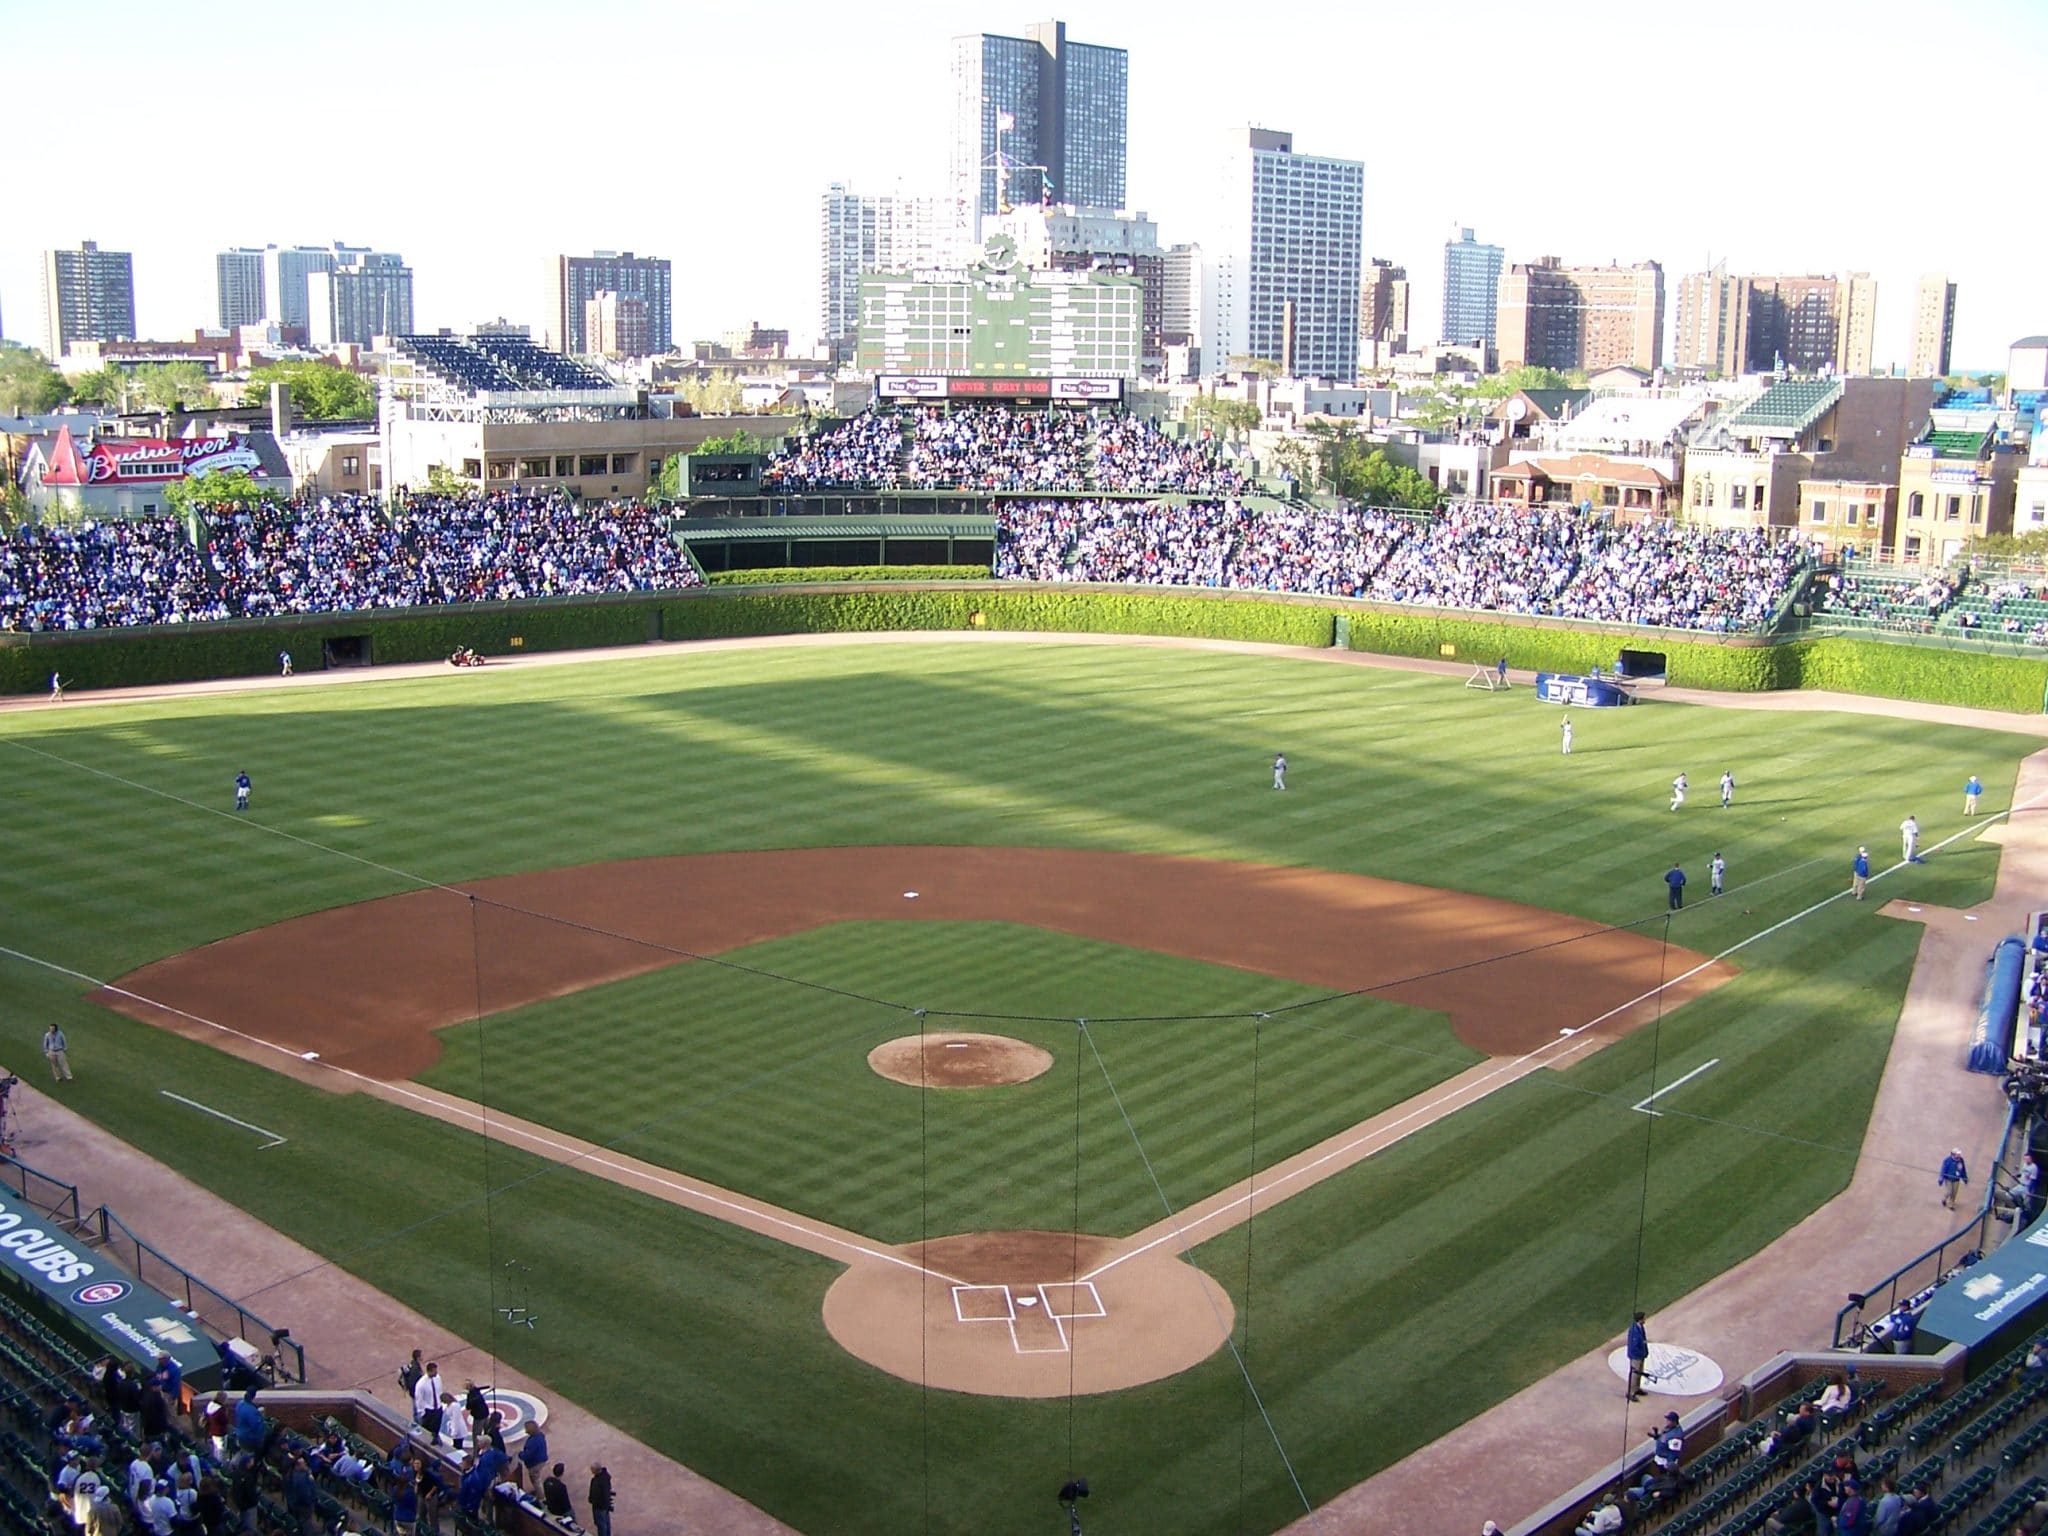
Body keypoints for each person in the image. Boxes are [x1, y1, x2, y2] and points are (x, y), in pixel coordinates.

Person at [1625, 1310, 1649, 1400]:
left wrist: (1645, 1352)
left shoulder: (1641, 1327)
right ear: (1640, 1319)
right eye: (1644, 1318)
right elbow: (1635, 1345)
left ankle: (1637, 1388)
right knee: (1634, 1374)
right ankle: (1630, 1392)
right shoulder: (1634, 1330)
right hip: (1636, 1356)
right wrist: (1640, 1354)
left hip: (1641, 1354)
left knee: (1639, 1373)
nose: (1645, 1319)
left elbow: (1643, 1340)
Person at [587, 1465, 612, 1536]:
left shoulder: (596, 1482)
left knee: (601, 1525)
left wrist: (591, 1500)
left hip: (599, 1507)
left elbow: (595, 1495)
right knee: (606, 1523)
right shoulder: (606, 1477)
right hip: (605, 1505)